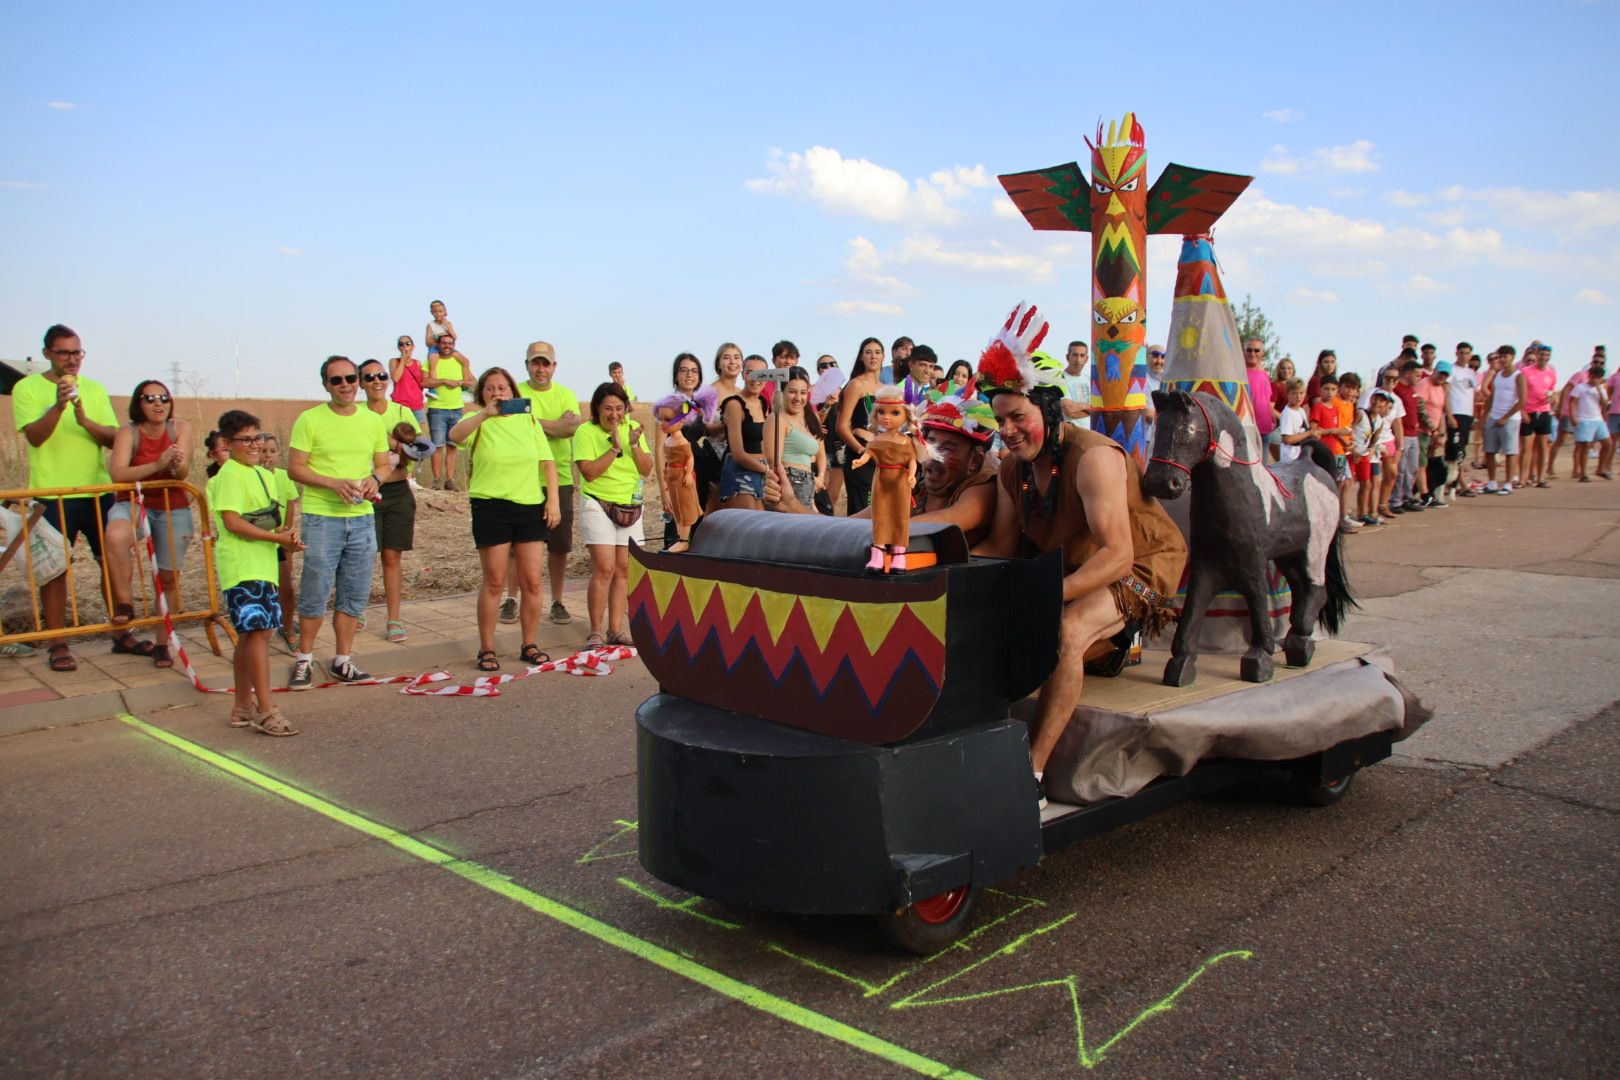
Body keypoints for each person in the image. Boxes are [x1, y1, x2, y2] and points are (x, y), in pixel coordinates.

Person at [974, 309, 1186, 804]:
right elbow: (1001, 548)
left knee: (1067, 630)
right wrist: (938, 570)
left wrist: (1041, 596)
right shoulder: (1013, 468)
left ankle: (1032, 776)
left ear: (1049, 411)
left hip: (1138, 566)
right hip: (1071, 566)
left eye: (1017, 418)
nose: (1006, 430)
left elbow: (1116, 556)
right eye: (999, 419)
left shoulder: (1094, 459)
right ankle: (1107, 652)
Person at [13, 324, 132, 672]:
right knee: (55, 571)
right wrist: (58, 406)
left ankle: (121, 633)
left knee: (111, 563)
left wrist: (84, 420)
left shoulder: (94, 389)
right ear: (47, 354)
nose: (72, 360)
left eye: (77, 352)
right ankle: (58, 643)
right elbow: (35, 437)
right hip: (53, 494)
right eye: (64, 353)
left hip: (97, 491)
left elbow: (113, 438)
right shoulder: (28, 388)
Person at [286, 356, 391, 689]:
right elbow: (295, 468)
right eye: (337, 380)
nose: (345, 385)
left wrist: (376, 479)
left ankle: (343, 660)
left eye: (350, 378)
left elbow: (384, 464)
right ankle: (304, 659)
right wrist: (333, 483)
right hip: (322, 518)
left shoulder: (372, 421)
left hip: (361, 518)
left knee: (353, 593)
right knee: (315, 591)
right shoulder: (309, 419)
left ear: (358, 381)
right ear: (325, 385)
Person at [450, 367, 561, 671]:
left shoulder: (528, 421)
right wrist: (485, 414)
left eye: (503, 388)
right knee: (495, 580)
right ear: (481, 394)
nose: (498, 393)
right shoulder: (476, 421)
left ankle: (529, 644)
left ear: (513, 392)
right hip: (491, 505)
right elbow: (454, 436)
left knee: (533, 581)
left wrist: (553, 501)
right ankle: (487, 648)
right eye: (490, 389)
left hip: (529, 506)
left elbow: (548, 463)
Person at [210, 409, 304, 736]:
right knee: (260, 632)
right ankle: (266, 710)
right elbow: (234, 522)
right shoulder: (230, 475)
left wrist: (286, 539)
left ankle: (241, 706)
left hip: (263, 563)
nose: (253, 445)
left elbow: (271, 519)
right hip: (242, 566)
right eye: (245, 440)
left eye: (257, 438)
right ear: (227, 443)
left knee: (253, 634)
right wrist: (275, 538)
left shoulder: (262, 475)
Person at [107, 379, 195, 667]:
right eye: (150, 398)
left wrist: (173, 464)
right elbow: (118, 473)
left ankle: (161, 643)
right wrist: (157, 465)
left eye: (164, 398)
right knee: (117, 535)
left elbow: (180, 474)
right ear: (138, 403)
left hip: (172, 505)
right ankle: (124, 604)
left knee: (168, 578)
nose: (159, 403)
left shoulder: (181, 428)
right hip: (133, 501)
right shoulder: (127, 432)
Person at [509, 341, 584, 625]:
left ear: (554, 366)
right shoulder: (516, 391)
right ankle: (511, 598)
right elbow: (514, 427)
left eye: (546, 363)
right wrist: (552, 425)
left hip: (561, 478)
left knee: (559, 544)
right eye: (535, 363)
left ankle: (557, 600)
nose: (540, 369)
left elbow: (570, 428)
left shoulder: (566, 394)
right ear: (527, 364)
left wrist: (532, 422)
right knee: (518, 544)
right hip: (523, 477)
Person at [574, 382, 652, 648]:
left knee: (624, 570)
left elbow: (646, 470)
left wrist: (635, 446)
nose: (615, 414)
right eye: (608, 408)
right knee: (604, 568)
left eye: (620, 408)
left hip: (631, 504)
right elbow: (589, 472)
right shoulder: (585, 431)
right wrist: (614, 448)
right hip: (598, 502)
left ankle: (616, 630)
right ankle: (595, 630)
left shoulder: (634, 431)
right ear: (597, 408)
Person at [359, 358, 421, 644]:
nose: (376, 381)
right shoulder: (355, 414)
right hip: (364, 494)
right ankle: (356, 610)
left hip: (397, 493)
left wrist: (397, 445)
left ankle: (393, 619)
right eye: (369, 376)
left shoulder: (401, 411)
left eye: (381, 375)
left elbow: (420, 450)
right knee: (361, 556)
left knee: (392, 557)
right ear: (360, 383)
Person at [256, 432, 301, 647]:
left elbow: (291, 500)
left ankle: (288, 625)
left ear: (278, 454)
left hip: (281, 538)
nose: (267, 456)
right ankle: (265, 625)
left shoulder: (283, 476)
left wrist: (287, 529)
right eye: (263, 451)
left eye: (272, 451)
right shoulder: (253, 476)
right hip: (261, 539)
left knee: (286, 584)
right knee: (265, 585)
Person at [834, 337, 886, 512]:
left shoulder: (886, 389)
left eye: (877, 352)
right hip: (861, 452)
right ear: (861, 357)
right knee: (862, 506)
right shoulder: (856, 385)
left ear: (883, 357)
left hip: (882, 454)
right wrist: (861, 451)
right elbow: (841, 426)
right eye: (868, 352)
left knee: (880, 507)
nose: (873, 356)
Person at [770, 366, 827, 510]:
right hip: (789, 482)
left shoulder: (811, 417)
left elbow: (821, 453)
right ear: (782, 392)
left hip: (810, 482)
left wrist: (820, 477)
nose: (798, 398)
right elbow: (773, 462)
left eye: (803, 392)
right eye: (792, 392)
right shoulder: (777, 418)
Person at [719, 355, 770, 510]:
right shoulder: (734, 404)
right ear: (743, 374)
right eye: (750, 373)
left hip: (761, 472)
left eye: (760, 374)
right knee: (749, 528)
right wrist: (767, 470)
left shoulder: (763, 403)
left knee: (762, 529)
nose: (755, 379)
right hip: (741, 472)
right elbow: (738, 453)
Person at [425, 331, 475, 490]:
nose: (447, 346)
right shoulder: (431, 361)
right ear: (438, 344)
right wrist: (443, 381)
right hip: (437, 408)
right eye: (444, 343)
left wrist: (460, 382)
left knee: (452, 446)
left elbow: (473, 381)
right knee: (437, 446)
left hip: (456, 408)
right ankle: (437, 480)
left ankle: (450, 479)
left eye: (450, 343)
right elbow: (424, 381)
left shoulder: (460, 362)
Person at [702, 343, 745, 512]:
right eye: (726, 357)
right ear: (718, 364)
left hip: (740, 455)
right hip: (717, 458)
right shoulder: (710, 392)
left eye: (736, 357)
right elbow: (707, 428)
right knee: (717, 510)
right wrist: (727, 423)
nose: (732, 362)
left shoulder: (741, 392)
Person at [1482, 346, 1525, 495]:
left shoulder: (1519, 376)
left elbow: (1522, 400)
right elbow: (1492, 396)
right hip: (1494, 416)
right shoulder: (1498, 375)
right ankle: (1492, 482)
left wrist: (1506, 417)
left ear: (1512, 357)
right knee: (1490, 450)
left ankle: (1508, 483)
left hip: (1511, 418)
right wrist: (1484, 416)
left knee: (1510, 451)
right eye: (1500, 356)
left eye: (1505, 356)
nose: (1502, 359)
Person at [1390, 356, 1427, 512]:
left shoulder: (1412, 391)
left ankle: (1408, 496)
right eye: (1417, 375)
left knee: (1412, 467)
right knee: (1401, 468)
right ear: (1408, 374)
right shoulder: (1397, 390)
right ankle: (1395, 500)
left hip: (1413, 433)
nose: (1419, 379)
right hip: (1403, 433)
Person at [1351, 389, 1394, 525]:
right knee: (1352, 482)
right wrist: (1353, 447)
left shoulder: (1380, 421)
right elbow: (1351, 428)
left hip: (1365, 454)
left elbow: (1375, 438)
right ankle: (1353, 513)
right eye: (1375, 399)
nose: (1377, 402)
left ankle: (1364, 513)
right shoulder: (1361, 414)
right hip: (1354, 452)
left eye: (1381, 401)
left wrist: (1370, 450)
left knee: (1367, 483)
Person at [1519, 344, 1558, 487]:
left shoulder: (1551, 373)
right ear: (1536, 355)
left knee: (1543, 445)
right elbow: (1518, 393)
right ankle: (1523, 479)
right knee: (1526, 447)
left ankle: (1541, 478)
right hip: (1528, 412)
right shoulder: (1525, 371)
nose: (1544, 358)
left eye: (1547, 356)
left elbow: (1552, 391)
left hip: (1544, 412)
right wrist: (1522, 411)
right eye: (1541, 355)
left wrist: (1552, 398)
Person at [1565, 362, 1610, 483]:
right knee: (1585, 446)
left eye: (1598, 377)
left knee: (1608, 444)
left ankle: (1600, 469)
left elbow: (1605, 405)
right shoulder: (1581, 387)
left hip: (1598, 419)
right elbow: (1572, 402)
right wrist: (1573, 416)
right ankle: (1583, 473)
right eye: (1594, 376)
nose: (1595, 379)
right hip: (1584, 419)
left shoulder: (1602, 389)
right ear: (1589, 375)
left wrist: (1599, 390)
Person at [1446, 343, 1480, 498]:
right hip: (1455, 413)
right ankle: (1455, 482)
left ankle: (1456, 482)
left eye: (1467, 353)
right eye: (1461, 352)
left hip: (1467, 414)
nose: (1464, 356)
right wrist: (1450, 414)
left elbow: (1474, 394)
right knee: (1454, 450)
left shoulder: (1471, 373)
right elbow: (1445, 393)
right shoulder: (1451, 370)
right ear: (1456, 353)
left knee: (1463, 450)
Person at [1415, 361, 1451, 507]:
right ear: (1434, 370)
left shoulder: (1440, 388)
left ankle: (1428, 492)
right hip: (1422, 431)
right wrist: (1433, 429)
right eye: (1440, 373)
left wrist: (1441, 433)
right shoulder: (1425, 384)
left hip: (1433, 432)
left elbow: (1440, 411)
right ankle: (1425, 495)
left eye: (1445, 375)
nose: (1442, 376)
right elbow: (1420, 407)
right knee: (1421, 463)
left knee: (1431, 464)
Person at [1244, 339, 1277, 460]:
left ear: (1262, 353)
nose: (1252, 353)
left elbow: (1267, 400)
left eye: (1256, 350)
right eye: (1249, 350)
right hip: (1248, 428)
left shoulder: (1265, 374)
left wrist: (1273, 420)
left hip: (1265, 429)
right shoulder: (1240, 373)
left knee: (1264, 471)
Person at [389, 334, 429, 430]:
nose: (404, 346)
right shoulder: (394, 361)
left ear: (413, 346)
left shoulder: (418, 363)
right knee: (401, 435)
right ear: (398, 347)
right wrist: (403, 359)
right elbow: (395, 378)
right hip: (400, 405)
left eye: (407, 343)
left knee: (418, 436)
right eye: (401, 344)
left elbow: (421, 383)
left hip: (416, 405)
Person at [1276, 378, 1312, 463]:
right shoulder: (1288, 414)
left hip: (1300, 455)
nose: (1298, 396)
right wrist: (1309, 433)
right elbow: (1287, 439)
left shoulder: (1301, 411)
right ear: (1288, 394)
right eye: (1294, 393)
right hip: (1290, 457)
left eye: (1301, 393)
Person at [1061, 340, 1090, 426]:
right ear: (1067, 357)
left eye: (1082, 355)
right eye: (1075, 355)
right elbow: (1069, 412)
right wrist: (1092, 408)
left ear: (1086, 359)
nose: (1078, 360)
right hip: (1072, 435)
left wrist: (1079, 407)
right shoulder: (1060, 378)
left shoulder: (1089, 379)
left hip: (1092, 434)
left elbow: (1100, 407)